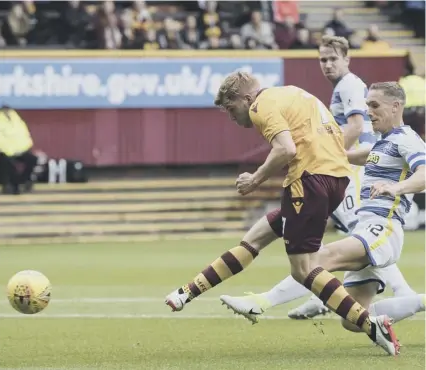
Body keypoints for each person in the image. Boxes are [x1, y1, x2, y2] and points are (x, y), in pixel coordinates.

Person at [166, 71, 399, 355]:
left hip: (310, 179)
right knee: (256, 237)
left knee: (304, 270)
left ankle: (371, 325)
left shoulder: (261, 105)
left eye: (231, 108)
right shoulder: (293, 93)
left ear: (247, 98)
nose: (232, 116)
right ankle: (187, 292)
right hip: (336, 179)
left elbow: (286, 149)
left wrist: (256, 178)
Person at [220, 82, 425, 355]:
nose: (369, 113)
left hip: (382, 228)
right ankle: (407, 308)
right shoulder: (383, 142)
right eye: (367, 106)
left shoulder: (407, 139)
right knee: (351, 318)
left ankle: (262, 301)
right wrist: (327, 150)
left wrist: (396, 187)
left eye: (375, 106)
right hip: (364, 230)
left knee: (314, 263)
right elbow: (357, 155)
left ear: (396, 107)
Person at [285, 35, 417, 319]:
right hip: (363, 198)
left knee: (322, 255)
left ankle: (275, 300)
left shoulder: (351, 88)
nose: (327, 64)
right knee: (354, 315)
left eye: (333, 59)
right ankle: (401, 297)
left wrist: (397, 186)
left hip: (369, 203)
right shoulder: (378, 136)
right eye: (323, 59)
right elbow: (357, 146)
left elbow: (356, 128)